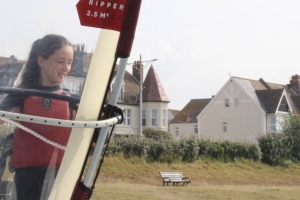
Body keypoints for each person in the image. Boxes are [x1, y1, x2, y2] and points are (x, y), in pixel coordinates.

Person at [0, 34, 76, 200]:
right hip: (27, 177)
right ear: (41, 61)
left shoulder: (72, 102)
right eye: (60, 61)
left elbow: (93, 139)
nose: (66, 68)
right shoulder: (19, 96)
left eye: (69, 62)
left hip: (61, 176)